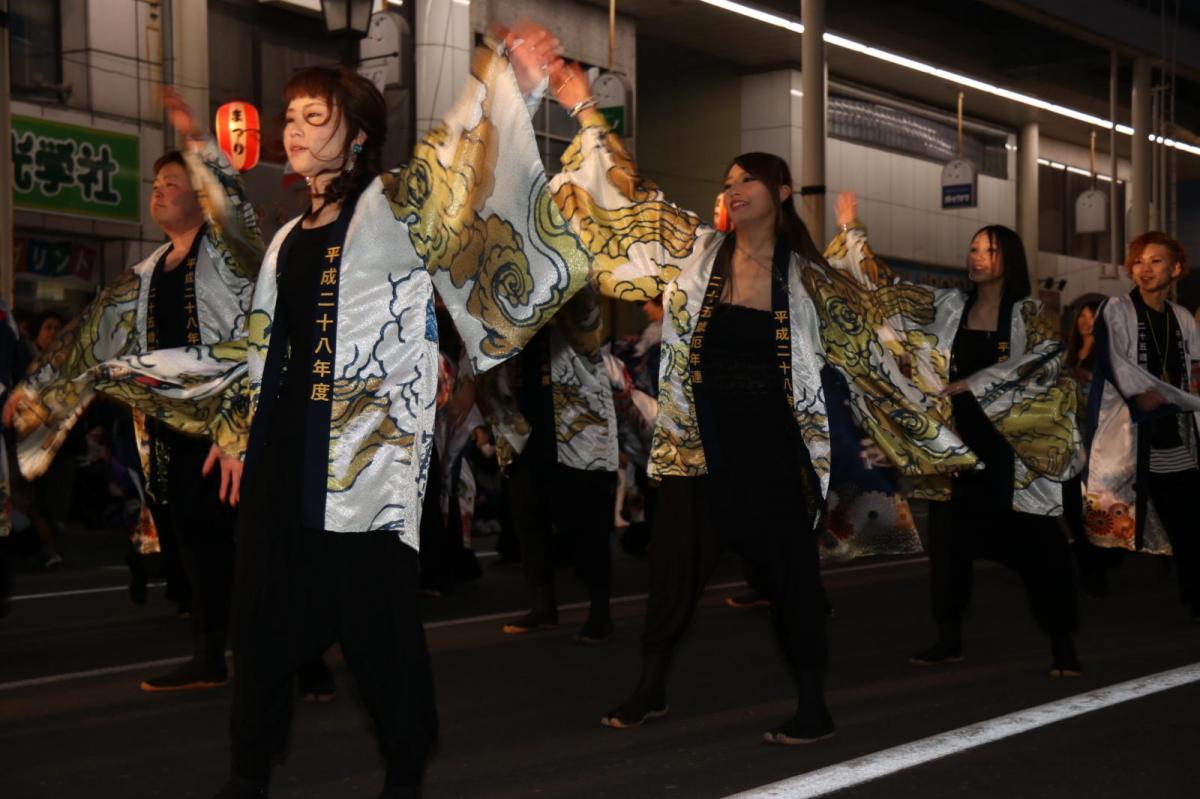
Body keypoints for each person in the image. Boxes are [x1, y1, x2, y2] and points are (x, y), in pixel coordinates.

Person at [91, 25, 588, 798]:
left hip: (363, 467)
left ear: (356, 137)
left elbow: (455, 163)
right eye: (290, 115)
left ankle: (403, 771)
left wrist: (512, 84)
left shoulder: (387, 209)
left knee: (377, 633)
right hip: (284, 458)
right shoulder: (287, 238)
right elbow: (265, 347)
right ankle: (247, 775)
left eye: (313, 117)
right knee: (258, 625)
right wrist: (236, 431)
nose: (292, 129)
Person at [547, 63, 851, 745]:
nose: (732, 189)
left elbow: (868, 338)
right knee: (673, 573)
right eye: (728, 180)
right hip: (696, 444)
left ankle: (813, 702)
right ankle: (650, 686)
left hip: (771, 449)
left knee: (791, 577)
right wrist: (586, 109)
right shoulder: (696, 251)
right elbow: (631, 197)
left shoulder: (808, 279)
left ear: (781, 191)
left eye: (747, 179)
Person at [2, 94, 260, 691]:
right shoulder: (143, 276)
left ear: (201, 196)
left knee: (245, 539)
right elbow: (87, 336)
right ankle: (210, 654)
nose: (159, 192)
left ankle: (290, 650)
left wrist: (196, 139)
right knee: (190, 539)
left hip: (230, 423)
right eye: (156, 184)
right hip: (169, 429)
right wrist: (35, 388)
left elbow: (235, 205)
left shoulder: (227, 253)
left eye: (173, 183)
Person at [820, 191, 1083, 677]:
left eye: (989, 249)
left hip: (1011, 450)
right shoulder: (947, 307)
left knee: (1040, 548)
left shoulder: (1029, 313)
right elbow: (884, 290)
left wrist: (980, 381)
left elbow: (1048, 359)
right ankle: (948, 637)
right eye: (973, 248)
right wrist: (851, 230)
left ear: (1010, 258)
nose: (976, 256)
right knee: (948, 549)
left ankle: (1062, 643)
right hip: (956, 445)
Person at [484, 285, 620, 643]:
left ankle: (600, 611)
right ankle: (543, 606)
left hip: (575, 426)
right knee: (528, 518)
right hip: (522, 426)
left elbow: (587, 322)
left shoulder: (574, 291)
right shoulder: (506, 301)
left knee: (584, 523)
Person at [1084, 232, 1200, 621]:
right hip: (1128, 432)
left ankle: (1195, 598)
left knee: (1188, 522)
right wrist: (1139, 394)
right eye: (1138, 261)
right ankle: (1090, 565)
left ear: (1176, 268)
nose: (1144, 269)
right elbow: (1112, 358)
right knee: (1117, 523)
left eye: (1155, 261)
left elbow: (1195, 368)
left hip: (1173, 435)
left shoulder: (1182, 317)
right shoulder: (1116, 309)